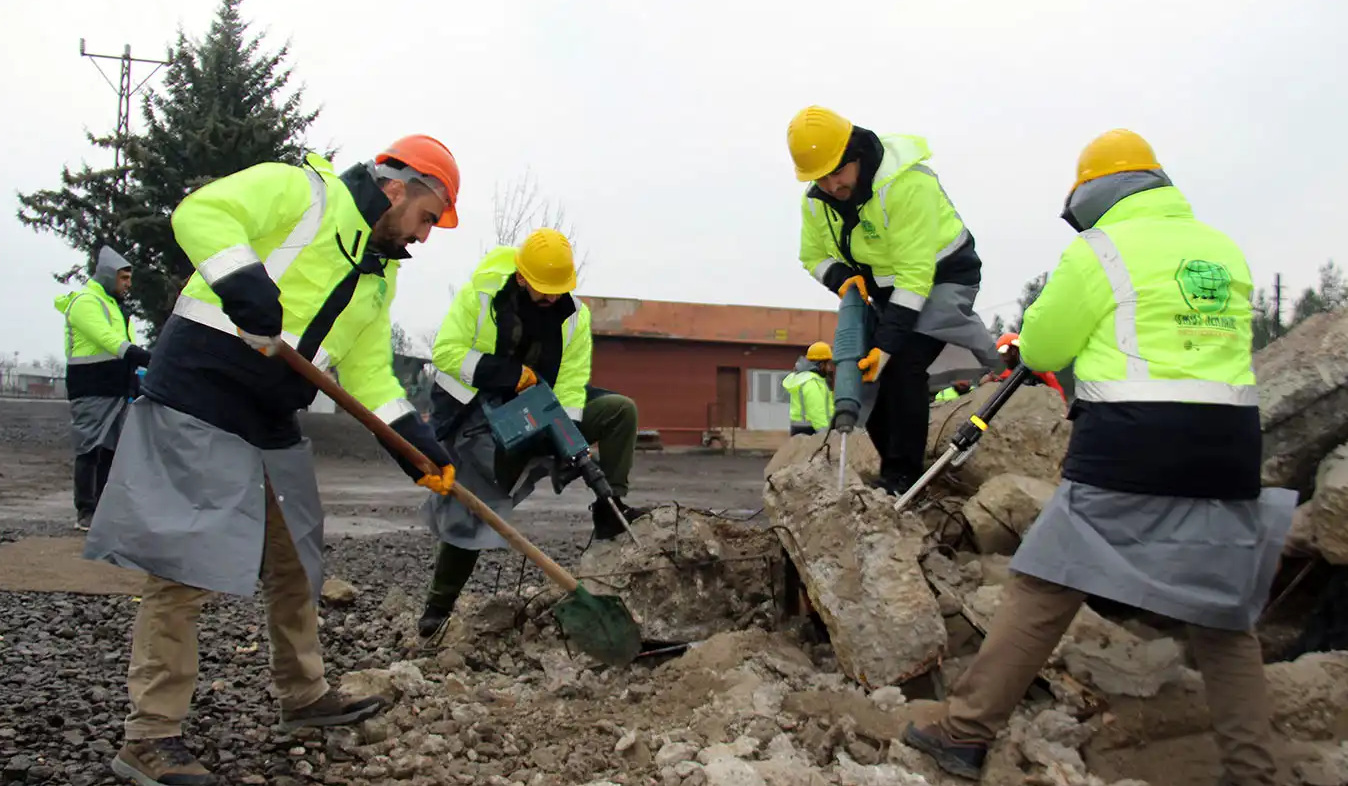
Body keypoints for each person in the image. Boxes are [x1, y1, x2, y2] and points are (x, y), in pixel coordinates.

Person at [903, 129, 1295, 786]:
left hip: (1133, 442)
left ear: (1094, 194)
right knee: (1223, 615)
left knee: (1045, 583)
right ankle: (1253, 772)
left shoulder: (1100, 250)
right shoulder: (1221, 249)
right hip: (1229, 445)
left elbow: (1046, 349)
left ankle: (965, 734)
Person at [83, 135, 463, 786]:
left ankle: (304, 694)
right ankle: (149, 736)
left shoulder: (376, 278)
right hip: (203, 387)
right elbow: (199, 213)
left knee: (297, 557)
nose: (426, 236)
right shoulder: (302, 193)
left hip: (271, 411)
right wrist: (242, 279)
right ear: (396, 189)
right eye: (428, 217)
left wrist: (418, 447)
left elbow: (370, 378)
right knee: (183, 565)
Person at [416, 228, 648, 638]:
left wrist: (569, 437)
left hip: (541, 402)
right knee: (476, 499)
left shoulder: (575, 315)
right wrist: (510, 374)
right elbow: (447, 352)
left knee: (619, 411)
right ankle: (439, 605)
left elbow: (573, 382)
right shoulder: (483, 295)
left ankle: (609, 512)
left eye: (559, 290)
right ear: (521, 278)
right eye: (544, 290)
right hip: (475, 409)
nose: (553, 298)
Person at [788, 105, 998, 495]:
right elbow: (811, 256)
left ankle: (904, 479)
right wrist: (841, 277)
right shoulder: (816, 199)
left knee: (902, 366)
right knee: (871, 380)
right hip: (884, 290)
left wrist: (886, 345)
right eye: (821, 177)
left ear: (857, 155)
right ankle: (892, 472)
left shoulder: (906, 183)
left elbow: (916, 275)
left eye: (837, 172)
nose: (832, 185)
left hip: (943, 277)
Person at [54, 246, 152, 531]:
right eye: (124, 278)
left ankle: (104, 508)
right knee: (89, 447)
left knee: (112, 449)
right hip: (91, 386)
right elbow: (108, 340)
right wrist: (145, 356)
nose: (128, 284)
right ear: (109, 276)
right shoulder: (86, 302)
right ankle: (85, 511)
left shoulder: (115, 307)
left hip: (117, 387)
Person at [980, 332, 1067, 403]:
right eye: (1001, 354)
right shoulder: (1007, 376)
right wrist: (986, 384)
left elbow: (1058, 394)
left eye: (1004, 353)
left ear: (1014, 351)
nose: (1003, 358)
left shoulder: (1038, 370)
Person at [782, 341, 835, 435]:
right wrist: (824, 433)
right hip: (811, 431)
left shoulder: (804, 378)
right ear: (821, 364)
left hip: (801, 430)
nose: (829, 368)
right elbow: (816, 410)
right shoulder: (811, 381)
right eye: (828, 364)